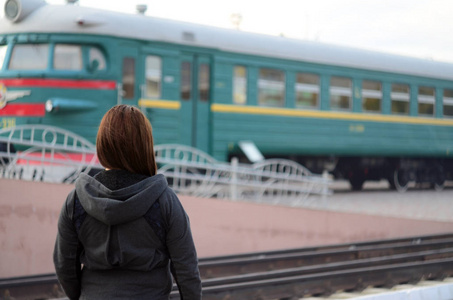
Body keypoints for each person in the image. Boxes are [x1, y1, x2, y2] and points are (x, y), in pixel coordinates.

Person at [53, 105, 202, 300]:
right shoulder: (164, 201)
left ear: (103, 144)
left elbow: (64, 265)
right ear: (144, 146)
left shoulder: (76, 201)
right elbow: (187, 270)